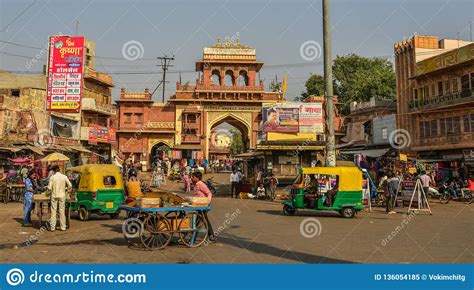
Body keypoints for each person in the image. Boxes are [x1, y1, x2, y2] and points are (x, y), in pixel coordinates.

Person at [191, 171, 216, 242]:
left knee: (199, 221)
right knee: (203, 220)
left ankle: (194, 238)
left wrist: (207, 202)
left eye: (193, 177)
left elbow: (209, 193)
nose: (192, 178)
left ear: (197, 178)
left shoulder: (201, 184)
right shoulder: (196, 184)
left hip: (203, 205)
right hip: (199, 205)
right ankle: (211, 236)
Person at [47, 165, 72, 231]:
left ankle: (52, 227)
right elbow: (70, 185)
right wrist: (67, 190)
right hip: (62, 195)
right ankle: (63, 227)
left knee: (53, 211)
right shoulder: (64, 177)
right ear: (59, 170)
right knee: (62, 211)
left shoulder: (52, 177)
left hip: (54, 195)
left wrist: (47, 191)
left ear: (54, 171)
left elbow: (49, 188)